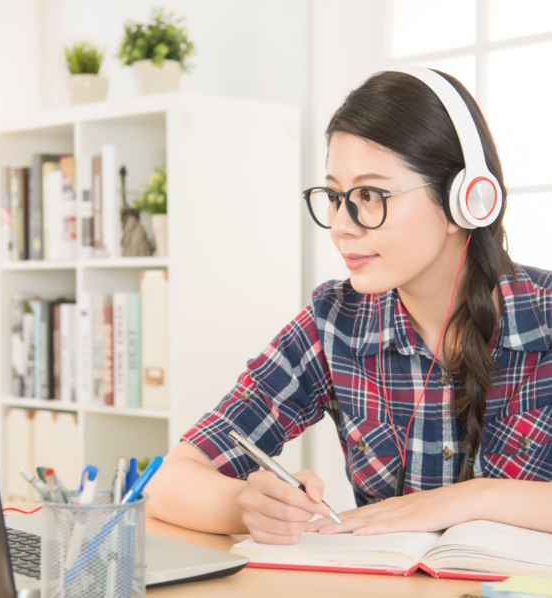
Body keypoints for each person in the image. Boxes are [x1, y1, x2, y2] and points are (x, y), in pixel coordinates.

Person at [145, 68, 552, 545]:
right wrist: (253, 510)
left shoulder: (543, 314)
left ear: (466, 201)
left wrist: (474, 498)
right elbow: (169, 483)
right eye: (336, 196)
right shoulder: (335, 321)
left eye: (370, 196)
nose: (341, 225)